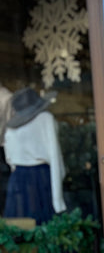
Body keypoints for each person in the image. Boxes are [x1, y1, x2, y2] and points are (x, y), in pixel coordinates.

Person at [3, 87, 65, 224]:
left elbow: (9, 158)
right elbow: (55, 155)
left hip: (19, 175)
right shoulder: (46, 119)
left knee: (19, 223)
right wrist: (58, 198)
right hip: (40, 175)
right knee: (44, 223)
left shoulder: (11, 127)